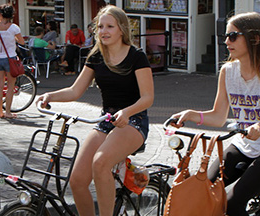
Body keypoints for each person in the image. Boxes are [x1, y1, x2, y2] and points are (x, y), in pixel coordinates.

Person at [169, 12, 260, 216]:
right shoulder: (228, 71)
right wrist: (191, 115)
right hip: (243, 145)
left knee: (232, 202)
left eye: (233, 36)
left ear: (254, 38)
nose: (226, 41)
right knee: (200, 189)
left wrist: (259, 127)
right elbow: (219, 116)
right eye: (225, 36)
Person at [37, 5, 153, 215]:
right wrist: (49, 96)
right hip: (107, 120)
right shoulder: (97, 56)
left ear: (122, 29)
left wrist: (126, 112)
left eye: (110, 26)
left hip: (133, 121)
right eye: (100, 26)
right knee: (77, 179)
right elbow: (75, 91)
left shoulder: (136, 56)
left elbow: (148, 98)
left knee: (100, 163)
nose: (103, 31)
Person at [0, 4, 25, 119]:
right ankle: (8, 112)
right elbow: (22, 42)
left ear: (0, 15)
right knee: (10, 86)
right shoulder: (14, 28)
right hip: (10, 58)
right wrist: (13, 38)